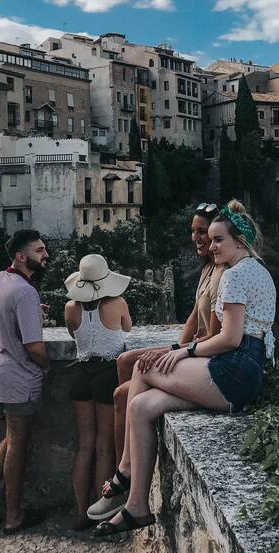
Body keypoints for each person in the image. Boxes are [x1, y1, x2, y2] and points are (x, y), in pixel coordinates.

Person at [95, 200, 276, 537]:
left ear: (240, 240)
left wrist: (184, 351)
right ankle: (137, 507)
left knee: (145, 366)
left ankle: (125, 469)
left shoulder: (235, 275)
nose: (212, 245)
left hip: (234, 370)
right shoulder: (258, 270)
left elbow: (230, 339)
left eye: (219, 239)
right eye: (212, 238)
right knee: (142, 406)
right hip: (247, 374)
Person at [87, 203, 225, 522]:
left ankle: (125, 477)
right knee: (125, 359)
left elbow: (216, 336)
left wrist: (176, 349)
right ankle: (125, 472)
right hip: (189, 346)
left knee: (123, 395)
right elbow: (193, 317)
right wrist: (172, 344)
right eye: (194, 231)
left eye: (203, 232)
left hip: (201, 353)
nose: (197, 237)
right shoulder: (207, 268)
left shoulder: (223, 272)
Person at [0, 229, 50, 535]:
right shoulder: (26, 292)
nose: (45, 255)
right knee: (18, 444)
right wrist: (47, 367)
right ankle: (13, 516)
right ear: (21, 256)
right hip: (18, 379)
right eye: (39, 251)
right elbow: (34, 346)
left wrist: (28, 314)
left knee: (9, 439)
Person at [63, 254, 133, 531]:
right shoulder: (117, 303)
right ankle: (99, 513)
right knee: (105, 445)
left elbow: (73, 334)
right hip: (107, 374)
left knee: (84, 446)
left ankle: (80, 513)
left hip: (80, 374)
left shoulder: (71, 308)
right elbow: (127, 328)